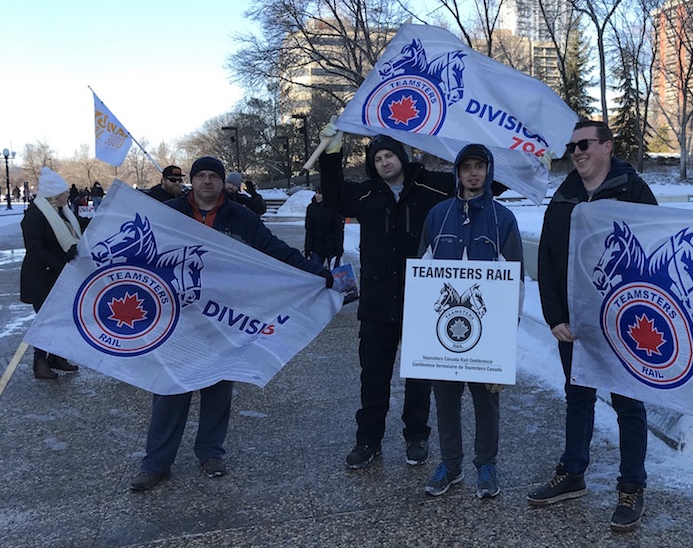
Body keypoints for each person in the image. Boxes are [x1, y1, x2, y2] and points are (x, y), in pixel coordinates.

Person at [129, 156, 333, 492]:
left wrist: (315, 272)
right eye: (201, 176)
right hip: (178, 319)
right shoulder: (170, 213)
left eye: (214, 176)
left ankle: (210, 452)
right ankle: (156, 463)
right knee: (169, 390)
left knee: (217, 388)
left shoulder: (241, 217)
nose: (207, 182)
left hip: (222, 320)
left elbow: (275, 249)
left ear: (223, 182)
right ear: (191, 181)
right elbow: (138, 248)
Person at [530, 119, 657, 533]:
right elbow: (547, 261)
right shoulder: (564, 196)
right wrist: (555, 316)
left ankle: (631, 486)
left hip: (624, 321)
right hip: (576, 322)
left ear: (607, 146)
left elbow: (654, 252)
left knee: (628, 403)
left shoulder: (634, 192)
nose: (577, 152)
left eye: (584, 144)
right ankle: (573, 473)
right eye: (571, 147)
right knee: (577, 396)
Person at [319, 133, 453, 469]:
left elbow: (475, 182)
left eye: (389, 156)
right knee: (373, 376)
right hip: (378, 301)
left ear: (402, 156)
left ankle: (417, 436)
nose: (384, 164)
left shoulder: (431, 186)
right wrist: (331, 153)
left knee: (419, 375)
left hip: (421, 299)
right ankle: (368, 441)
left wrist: (520, 167)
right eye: (377, 159)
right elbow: (333, 194)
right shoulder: (365, 192)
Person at [418, 144, 523, 499]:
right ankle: (450, 463)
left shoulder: (503, 219)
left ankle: (486, 464)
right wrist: (420, 330)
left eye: (480, 166)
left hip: (487, 331)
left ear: (489, 171)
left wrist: (508, 336)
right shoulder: (438, 215)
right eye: (467, 168)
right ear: (457, 173)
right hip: (444, 331)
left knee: (486, 401)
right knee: (445, 400)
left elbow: (516, 279)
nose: (473, 173)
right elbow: (423, 274)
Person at [19, 167, 88, 379]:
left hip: (60, 275)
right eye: (65, 191)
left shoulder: (63, 212)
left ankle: (56, 357)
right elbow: (35, 248)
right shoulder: (34, 215)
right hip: (41, 277)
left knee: (62, 319)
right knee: (46, 322)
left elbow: (78, 229)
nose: (68, 194)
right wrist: (61, 263)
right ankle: (39, 362)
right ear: (55, 194)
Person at [304, 189, 345, 269]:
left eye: (320, 193)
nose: (317, 196)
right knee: (314, 272)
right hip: (317, 247)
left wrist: (339, 248)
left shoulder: (335, 208)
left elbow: (338, 231)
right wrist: (308, 248)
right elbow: (309, 230)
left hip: (332, 247)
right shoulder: (311, 208)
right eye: (316, 193)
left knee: (335, 274)